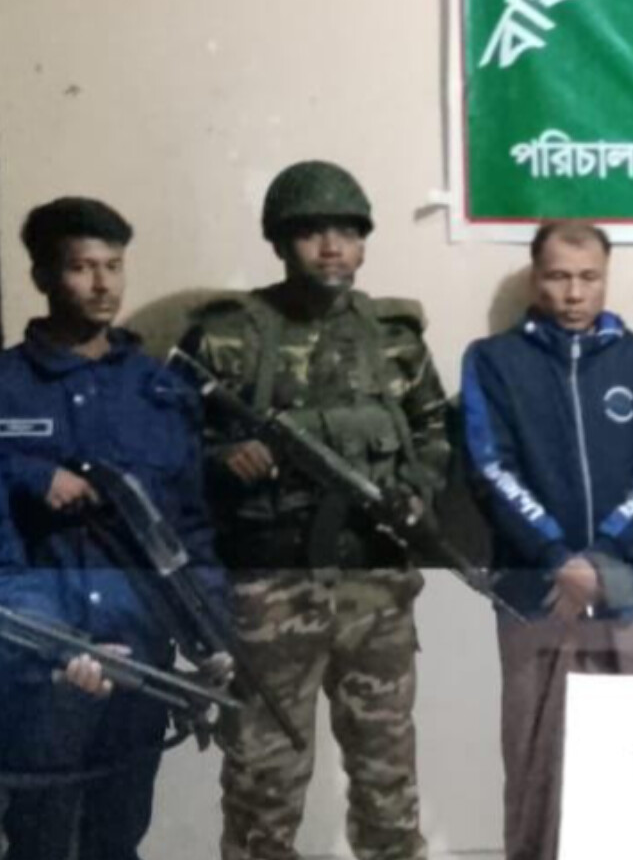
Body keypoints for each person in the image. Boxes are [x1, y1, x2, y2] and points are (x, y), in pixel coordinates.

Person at [179, 160, 449, 860]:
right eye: (311, 233)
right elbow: (170, 445)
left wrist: (416, 488)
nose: (332, 247)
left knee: (388, 777)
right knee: (263, 782)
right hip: (270, 588)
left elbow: (432, 429)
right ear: (279, 241)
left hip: (376, 585)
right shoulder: (228, 336)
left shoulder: (394, 337)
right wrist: (223, 457)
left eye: (347, 232)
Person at [0, 197, 228, 860]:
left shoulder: (160, 391)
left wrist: (213, 633)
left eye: (114, 265)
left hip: (140, 653)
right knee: (39, 839)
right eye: (81, 267)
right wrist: (53, 642)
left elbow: (189, 527)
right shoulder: (7, 386)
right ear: (43, 276)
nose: (103, 284)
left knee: (119, 833)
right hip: (38, 663)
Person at [460, 220, 633, 860]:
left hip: (626, 591)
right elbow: (489, 468)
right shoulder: (493, 360)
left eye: (588, 278)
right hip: (535, 592)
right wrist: (557, 556)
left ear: (605, 279)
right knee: (536, 764)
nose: (574, 293)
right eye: (558, 276)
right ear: (537, 278)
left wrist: (603, 555)